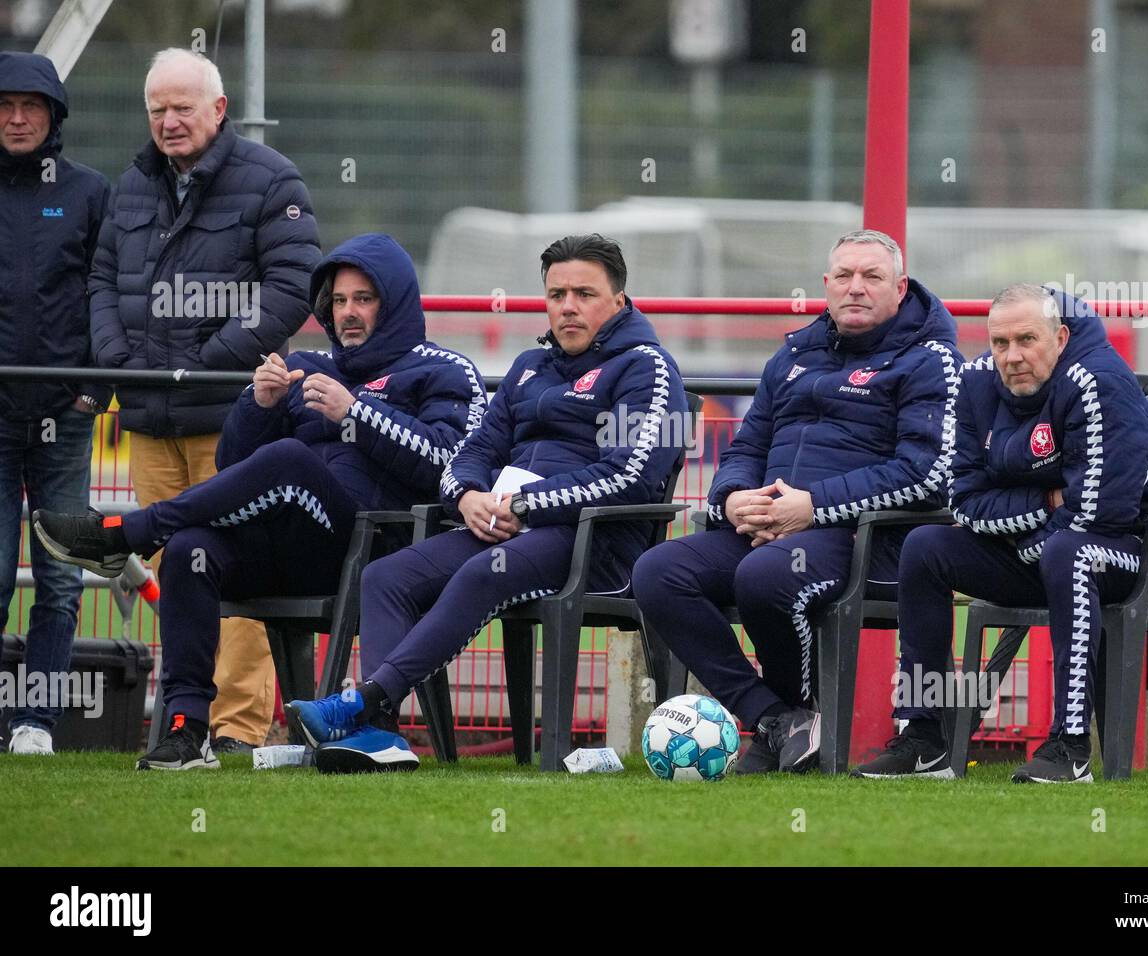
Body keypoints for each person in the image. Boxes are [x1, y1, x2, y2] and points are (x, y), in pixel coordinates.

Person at [35, 233, 486, 770]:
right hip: (290, 548)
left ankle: (124, 535)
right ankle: (186, 730)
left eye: (364, 299)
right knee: (189, 549)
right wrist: (258, 403)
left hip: (376, 554)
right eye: (338, 302)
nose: (348, 313)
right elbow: (234, 466)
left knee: (293, 459)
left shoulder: (444, 369)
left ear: (396, 303)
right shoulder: (312, 365)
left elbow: (448, 464)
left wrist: (356, 414)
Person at [285, 234, 689, 773]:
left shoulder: (647, 368)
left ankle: (364, 701)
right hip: (503, 526)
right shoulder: (528, 367)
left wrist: (526, 504)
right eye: (556, 294)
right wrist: (469, 495)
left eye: (584, 293)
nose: (567, 306)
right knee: (386, 576)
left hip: (595, 542)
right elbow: (470, 452)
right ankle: (379, 738)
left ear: (618, 300)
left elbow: (632, 476)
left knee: (482, 572)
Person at [632, 229, 961, 774]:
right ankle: (775, 720)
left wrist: (813, 507)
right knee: (657, 572)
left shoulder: (930, 361)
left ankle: (789, 723)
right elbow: (746, 445)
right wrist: (733, 498)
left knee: (765, 575)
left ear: (900, 288)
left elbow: (926, 474)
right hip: (766, 527)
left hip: (866, 539)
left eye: (872, 277)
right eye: (845, 277)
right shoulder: (792, 355)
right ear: (826, 285)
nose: (856, 288)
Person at [854, 283, 1148, 783]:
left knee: (1071, 552)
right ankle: (924, 739)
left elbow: (1101, 510)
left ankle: (1070, 746)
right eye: (1001, 343)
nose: (1012, 356)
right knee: (926, 546)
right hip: (1049, 551)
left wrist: (1034, 530)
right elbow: (966, 499)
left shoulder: (1101, 381)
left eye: (1027, 340)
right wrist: (1046, 503)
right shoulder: (975, 383)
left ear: (1059, 338)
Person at [88, 48, 321, 752]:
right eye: (157, 108)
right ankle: (185, 720)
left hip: (231, 421)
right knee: (174, 571)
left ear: (219, 109)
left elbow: (292, 288)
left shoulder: (272, 180)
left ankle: (240, 727)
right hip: (150, 419)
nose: (168, 121)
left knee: (232, 572)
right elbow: (102, 279)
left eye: (182, 106)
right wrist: (118, 362)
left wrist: (206, 367)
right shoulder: (130, 186)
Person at [0, 52, 111, 755]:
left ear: (54, 116)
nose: (15, 119)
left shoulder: (90, 192)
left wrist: (93, 391)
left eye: (30, 107)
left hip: (64, 420)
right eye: (5, 107)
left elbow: (109, 296)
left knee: (60, 577)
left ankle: (35, 723)